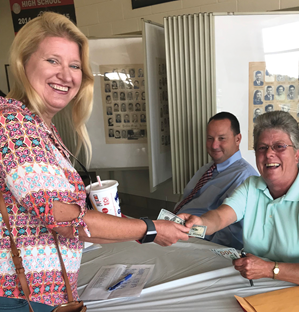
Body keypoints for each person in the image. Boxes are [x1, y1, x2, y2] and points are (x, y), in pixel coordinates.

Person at [0, 12, 189, 311]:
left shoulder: (40, 127)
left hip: (41, 294)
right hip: (19, 297)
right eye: (53, 60)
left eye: (74, 65)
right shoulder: (14, 124)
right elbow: (60, 217)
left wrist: (139, 228)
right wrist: (149, 229)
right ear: (24, 63)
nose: (66, 75)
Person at [181, 111, 299, 287]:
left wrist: (268, 269)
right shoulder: (252, 186)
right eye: (262, 147)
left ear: (296, 153)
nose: (269, 154)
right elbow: (221, 217)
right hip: (258, 285)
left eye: (279, 146)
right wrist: (199, 221)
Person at [174, 112, 258, 248]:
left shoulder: (245, 177)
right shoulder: (207, 169)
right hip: (179, 231)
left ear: (238, 139)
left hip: (199, 242)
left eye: (222, 138)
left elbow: (233, 234)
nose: (214, 145)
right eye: (210, 138)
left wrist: (192, 236)